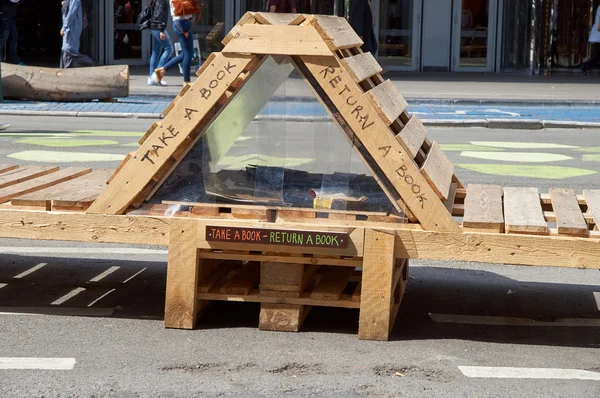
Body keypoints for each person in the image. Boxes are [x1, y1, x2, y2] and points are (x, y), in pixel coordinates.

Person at [152, 0, 200, 85]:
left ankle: (162, 70)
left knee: (185, 54)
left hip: (182, 23)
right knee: (189, 53)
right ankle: (186, 81)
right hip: (182, 23)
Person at [60, 0, 95, 68]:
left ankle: (90, 62)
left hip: (71, 31)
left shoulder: (75, 0)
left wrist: (64, 28)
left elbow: (71, 15)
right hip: (69, 31)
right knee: (66, 52)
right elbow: (66, 16)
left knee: (69, 51)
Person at [148, 0, 174, 86]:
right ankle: (157, 75)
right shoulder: (162, 0)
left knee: (156, 52)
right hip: (158, 27)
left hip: (154, 27)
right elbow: (160, 14)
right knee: (169, 49)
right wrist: (162, 29)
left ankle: (152, 77)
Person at [0, 0, 23, 65]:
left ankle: (16, 60)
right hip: (5, 18)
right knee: (4, 39)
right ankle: (16, 60)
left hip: (11, 18)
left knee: (14, 39)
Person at [582, 1, 600, 74]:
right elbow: (599, 25)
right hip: (599, 34)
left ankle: (586, 66)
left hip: (598, 34)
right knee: (598, 55)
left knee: (598, 54)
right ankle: (586, 66)